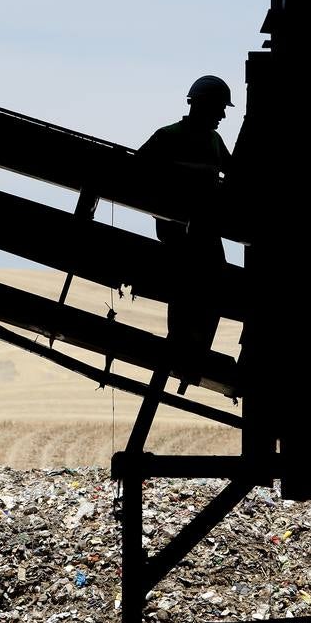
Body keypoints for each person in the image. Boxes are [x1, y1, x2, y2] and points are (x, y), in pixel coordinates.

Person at [137, 75, 234, 390]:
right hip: (186, 234)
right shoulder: (180, 138)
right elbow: (138, 171)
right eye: (219, 108)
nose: (222, 115)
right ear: (204, 105)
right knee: (198, 288)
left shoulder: (197, 140)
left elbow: (234, 179)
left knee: (193, 291)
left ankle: (188, 353)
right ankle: (189, 354)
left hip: (189, 233)